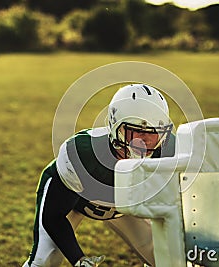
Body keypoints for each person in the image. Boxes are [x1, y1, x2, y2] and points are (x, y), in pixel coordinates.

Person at [22, 84, 175, 267]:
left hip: (124, 208)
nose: (145, 142)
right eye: (136, 131)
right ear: (115, 126)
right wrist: (79, 259)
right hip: (75, 202)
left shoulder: (171, 153)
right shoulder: (82, 156)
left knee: (165, 259)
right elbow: (53, 217)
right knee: (43, 261)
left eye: (154, 133)